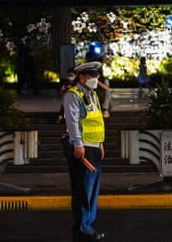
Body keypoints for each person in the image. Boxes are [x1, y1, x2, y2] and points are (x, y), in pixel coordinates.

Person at [63, 60, 107, 241]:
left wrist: (101, 144)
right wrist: (78, 144)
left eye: (96, 76)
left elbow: (96, 121)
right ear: (82, 77)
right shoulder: (73, 95)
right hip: (83, 149)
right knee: (84, 190)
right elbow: (72, 121)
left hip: (94, 147)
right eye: (91, 76)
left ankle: (87, 226)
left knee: (92, 190)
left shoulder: (93, 94)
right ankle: (83, 229)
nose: (95, 79)